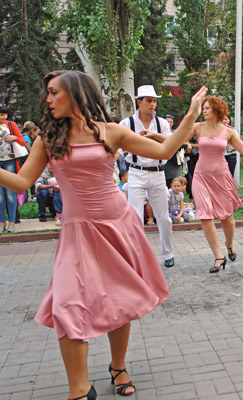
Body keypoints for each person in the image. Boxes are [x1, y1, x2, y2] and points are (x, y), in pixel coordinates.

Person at [0, 70, 206, 400]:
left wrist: (192, 114)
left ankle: (118, 366)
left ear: (76, 93)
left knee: (118, 298)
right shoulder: (48, 139)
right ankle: (79, 389)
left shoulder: (111, 132)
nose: (48, 99)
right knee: (66, 305)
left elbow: (166, 149)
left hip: (116, 223)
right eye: (47, 94)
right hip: (76, 231)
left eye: (54, 92)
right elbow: (22, 183)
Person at [185, 96, 243, 273]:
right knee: (205, 216)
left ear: (217, 110)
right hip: (201, 177)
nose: (204, 110)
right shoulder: (197, 127)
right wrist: (155, 136)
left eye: (208, 108)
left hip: (222, 178)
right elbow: (175, 138)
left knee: (227, 219)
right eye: (203, 107)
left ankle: (230, 245)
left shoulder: (228, 131)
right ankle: (219, 256)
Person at [119, 85, 176, 268]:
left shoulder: (162, 123)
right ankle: (137, 255)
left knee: (164, 217)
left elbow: (172, 143)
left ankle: (168, 254)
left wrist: (153, 134)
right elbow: (118, 147)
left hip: (158, 172)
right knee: (135, 216)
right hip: (136, 172)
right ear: (139, 102)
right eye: (149, 100)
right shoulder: (127, 123)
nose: (153, 104)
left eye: (154, 101)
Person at [0, 105, 27, 233]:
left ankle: (12, 222)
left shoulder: (11, 124)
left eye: (5, 114)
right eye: (1, 114)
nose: (3, 117)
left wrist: (14, 137)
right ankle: (1, 222)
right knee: (0, 195)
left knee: (10, 193)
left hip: (9, 160)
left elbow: (22, 141)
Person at [163, 114, 185, 189]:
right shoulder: (159, 132)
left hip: (175, 160)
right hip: (165, 160)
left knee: (176, 181)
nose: (169, 123)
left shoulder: (177, 132)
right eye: (167, 121)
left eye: (171, 122)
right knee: (166, 182)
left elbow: (181, 143)